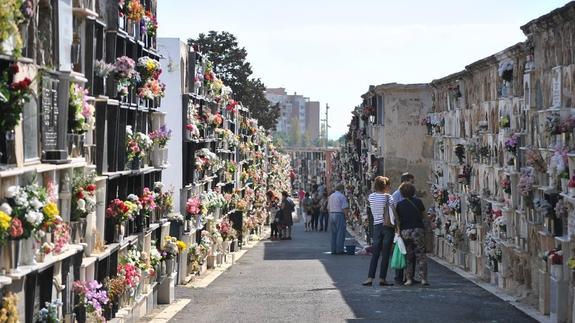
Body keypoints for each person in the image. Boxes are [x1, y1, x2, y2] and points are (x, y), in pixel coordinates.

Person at [362, 176, 397, 286]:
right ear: (385, 186)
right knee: (386, 253)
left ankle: (369, 278)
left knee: (375, 253)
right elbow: (393, 212)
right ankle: (382, 278)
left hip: (376, 226)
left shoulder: (371, 197)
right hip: (387, 227)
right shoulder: (389, 197)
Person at [396, 182, 428, 286]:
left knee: (408, 256)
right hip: (418, 230)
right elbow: (424, 216)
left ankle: (409, 279)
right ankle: (423, 279)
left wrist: (398, 232)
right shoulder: (418, 202)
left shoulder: (399, 205)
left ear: (401, 193)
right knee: (421, 255)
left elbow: (398, 220)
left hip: (406, 231)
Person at [391, 172, 415, 284]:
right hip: (400, 226)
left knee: (410, 252)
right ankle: (399, 276)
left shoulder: (411, 195)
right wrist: (397, 228)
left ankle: (410, 276)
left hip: (409, 226)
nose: (412, 184)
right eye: (411, 182)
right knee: (401, 251)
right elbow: (394, 212)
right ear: (405, 181)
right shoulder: (396, 195)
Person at [328, 183, 349, 254]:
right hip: (339, 214)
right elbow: (344, 208)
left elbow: (328, 207)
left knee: (333, 233)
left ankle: (333, 249)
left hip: (331, 214)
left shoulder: (331, 196)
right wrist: (346, 216)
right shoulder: (341, 196)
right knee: (340, 233)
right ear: (342, 189)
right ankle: (339, 249)